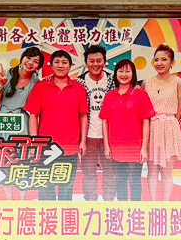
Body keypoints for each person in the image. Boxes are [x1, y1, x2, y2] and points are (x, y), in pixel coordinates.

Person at [25, 49, 88, 200]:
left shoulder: (78, 88)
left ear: (70, 66)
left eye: (64, 62)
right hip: (46, 147)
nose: (60, 66)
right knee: (46, 189)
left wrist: (83, 142)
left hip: (70, 147)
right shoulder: (41, 87)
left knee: (67, 189)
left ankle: (64, 221)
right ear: (51, 65)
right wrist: (35, 142)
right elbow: (33, 116)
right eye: (57, 62)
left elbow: (83, 116)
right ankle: (48, 221)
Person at [0, 46, 44, 201]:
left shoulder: (35, 83)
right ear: (22, 57)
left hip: (23, 122)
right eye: (28, 58)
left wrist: (34, 140)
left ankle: (22, 200)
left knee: (22, 162)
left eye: (36, 61)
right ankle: (10, 201)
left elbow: (35, 112)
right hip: (4, 121)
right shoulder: (5, 74)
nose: (30, 62)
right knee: (5, 161)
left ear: (38, 67)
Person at [100, 59, 155, 201]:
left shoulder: (140, 94)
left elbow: (146, 121)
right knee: (120, 179)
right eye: (120, 71)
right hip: (116, 146)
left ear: (133, 74)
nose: (124, 74)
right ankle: (122, 208)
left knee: (135, 179)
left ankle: (135, 210)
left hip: (135, 146)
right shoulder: (109, 96)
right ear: (115, 73)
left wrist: (144, 148)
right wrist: (106, 146)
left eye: (127, 71)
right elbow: (105, 121)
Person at [142, 44, 181, 201]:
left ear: (172, 62)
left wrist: (169, 123)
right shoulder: (146, 82)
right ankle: (154, 203)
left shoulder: (179, 83)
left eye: (164, 59)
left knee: (167, 172)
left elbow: (179, 110)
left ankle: (165, 203)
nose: (159, 63)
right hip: (151, 127)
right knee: (152, 170)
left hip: (169, 127)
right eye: (156, 60)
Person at [76, 44, 116, 201]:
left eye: (99, 60)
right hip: (88, 137)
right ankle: (90, 203)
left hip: (110, 137)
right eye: (91, 61)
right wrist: (81, 139)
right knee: (89, 173)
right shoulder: (79, 83)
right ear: (86, 63)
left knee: (111, 173)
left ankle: (109, 204)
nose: (95, 64)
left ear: (105, 62)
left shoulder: (114, 80)